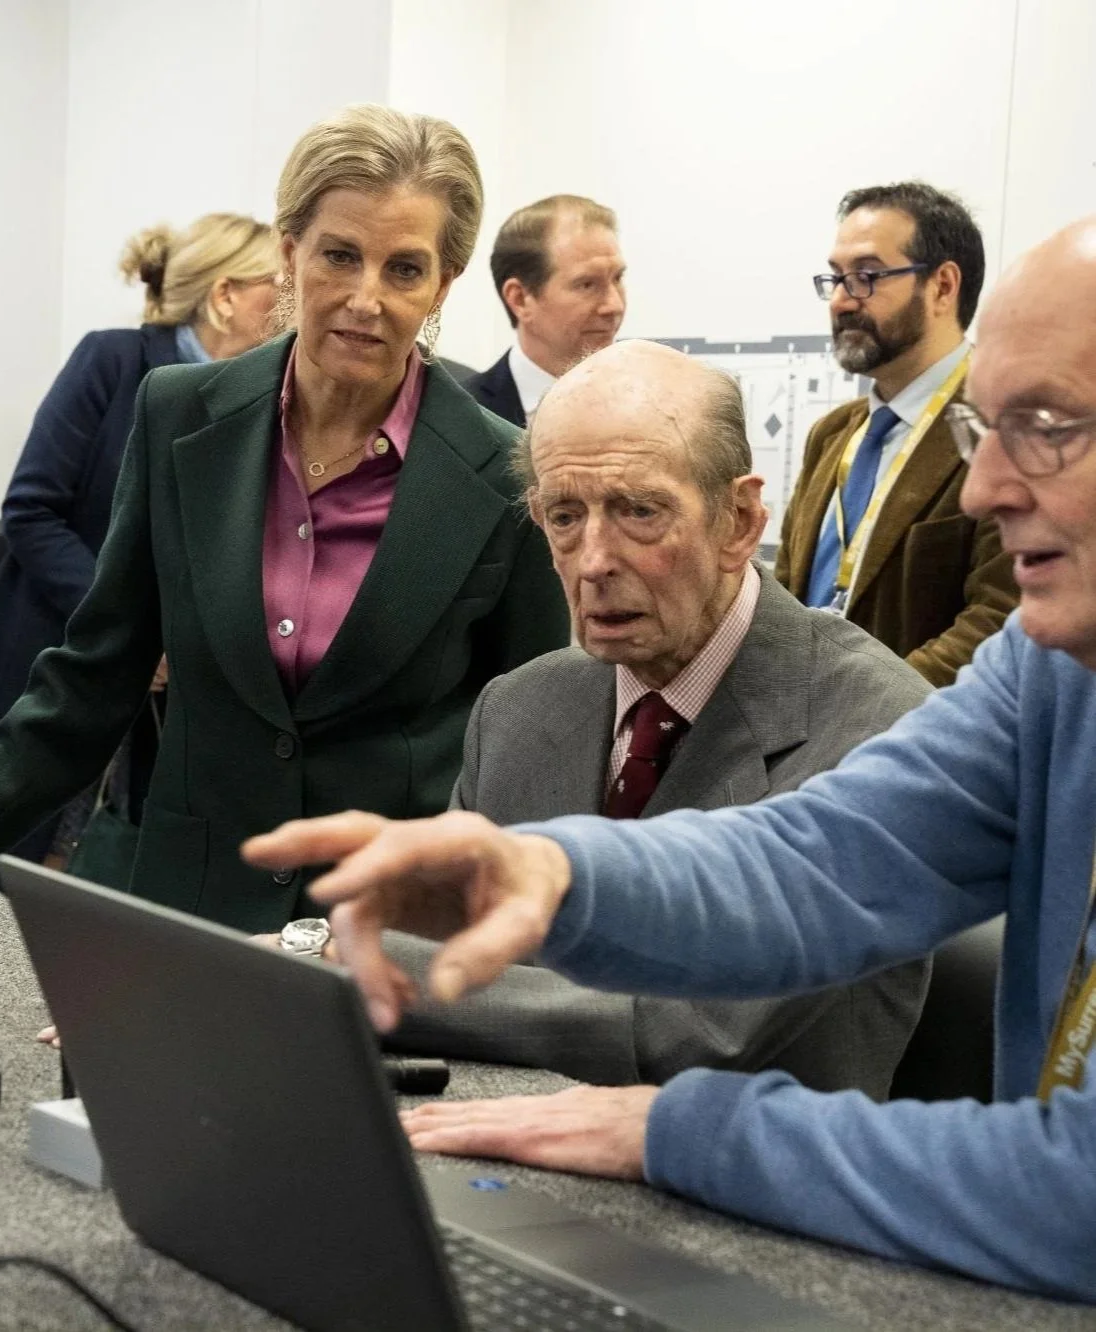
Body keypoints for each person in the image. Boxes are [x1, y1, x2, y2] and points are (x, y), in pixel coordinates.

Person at [243, 215, 1096, 1302]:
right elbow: (822, 860)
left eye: (1047, 427)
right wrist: (556, 875)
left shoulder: (915, 679)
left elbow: (1077, 1201)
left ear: (738, 521)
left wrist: (684, 1130)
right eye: (987, 432)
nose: (982, 491)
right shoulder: (1052, 663)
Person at [0, 105, 570, 933]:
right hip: (191, 913)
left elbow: (526, 744)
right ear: (289, 251)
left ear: (444, 284)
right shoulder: (179, 416)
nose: (365, 297)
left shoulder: (504, 471)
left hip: (394, 934)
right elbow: (98, 671)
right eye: (339, 255)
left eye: (404, 269)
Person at [357, 341, 930, 1095]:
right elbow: (456, 951)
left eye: (639, 511)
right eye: (565, 516)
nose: (593, 560)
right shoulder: (520, 710)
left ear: (739, 520)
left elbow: (702, 1028)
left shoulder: (875, 724)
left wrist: (364, 962)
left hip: (740, 1193)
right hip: (504, 1155)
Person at [0, 213, 281, 879]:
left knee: (99, 884)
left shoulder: (263, 402)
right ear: (226, 295)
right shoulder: (113, 360)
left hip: (173, 696)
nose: (293, 308)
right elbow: (32, 510)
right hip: (57, 649)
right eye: (279, 288)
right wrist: (124, 629)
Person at [775, 181, 1016, 686]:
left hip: (920, 744)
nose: (841, 300)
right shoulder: (832, 435)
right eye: (835, 278)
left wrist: (860, 714)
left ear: (943, 287)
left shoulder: (1001, 427)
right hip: (799, 736)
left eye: (867, 276)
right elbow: (785, 597)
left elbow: (998, 620)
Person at [463, 195, 625, 427]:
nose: (614, 305)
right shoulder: (461, 417)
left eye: (618, 278)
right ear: (520, 299)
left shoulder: (649, 405)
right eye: (587, 284)